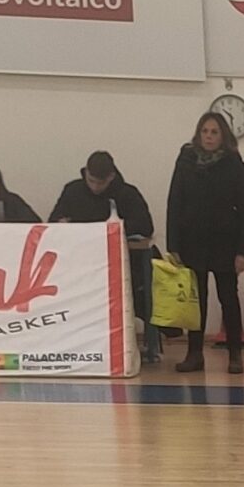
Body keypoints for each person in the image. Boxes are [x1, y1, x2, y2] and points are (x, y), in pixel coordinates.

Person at [50, 149, 160, 364]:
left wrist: (114, 229)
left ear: (111, 177)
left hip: (121, 265)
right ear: (85, 173)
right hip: (79, 264)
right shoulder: (73, 190)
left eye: (100, 183)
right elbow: (54, 220)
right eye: (91, 180)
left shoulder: (127, 194)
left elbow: (145, 226)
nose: (95, 187)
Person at [166, 111, 244, 375]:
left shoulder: (235, 165)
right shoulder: (185, 162)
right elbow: (174, 203)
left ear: (223, 135)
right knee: (196, 302)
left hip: (226, 242)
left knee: (228, 299)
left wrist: (243, 252)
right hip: (192, 242)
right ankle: (194, 354)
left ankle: (235, 354)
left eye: (214, 132)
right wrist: (173, 245)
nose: (209, 136)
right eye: (205, 131)